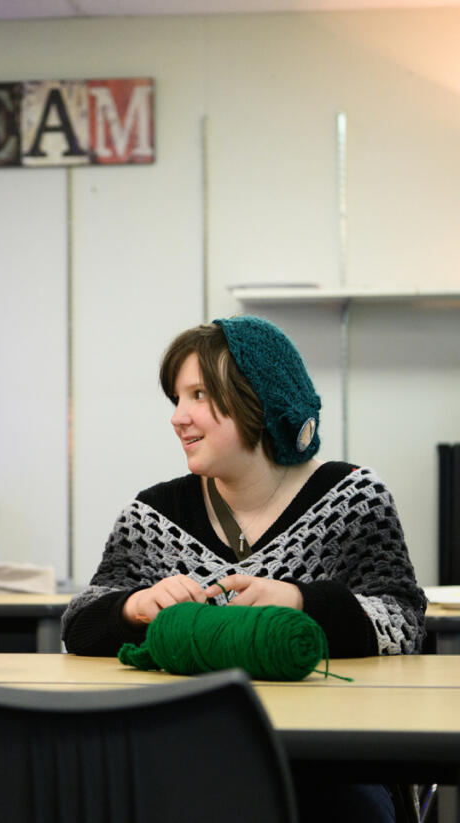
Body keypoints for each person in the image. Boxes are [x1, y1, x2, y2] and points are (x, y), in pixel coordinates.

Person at [62, 315, 426, 822]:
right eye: (176, 399)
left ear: (258, 399)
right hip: (184, 756)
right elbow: (79, 623)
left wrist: (302, 602)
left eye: (198, 395)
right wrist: (131, 607)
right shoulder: (151, 515)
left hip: (328, 764)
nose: (178, 417)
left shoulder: (354, 498)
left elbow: (403, 618)